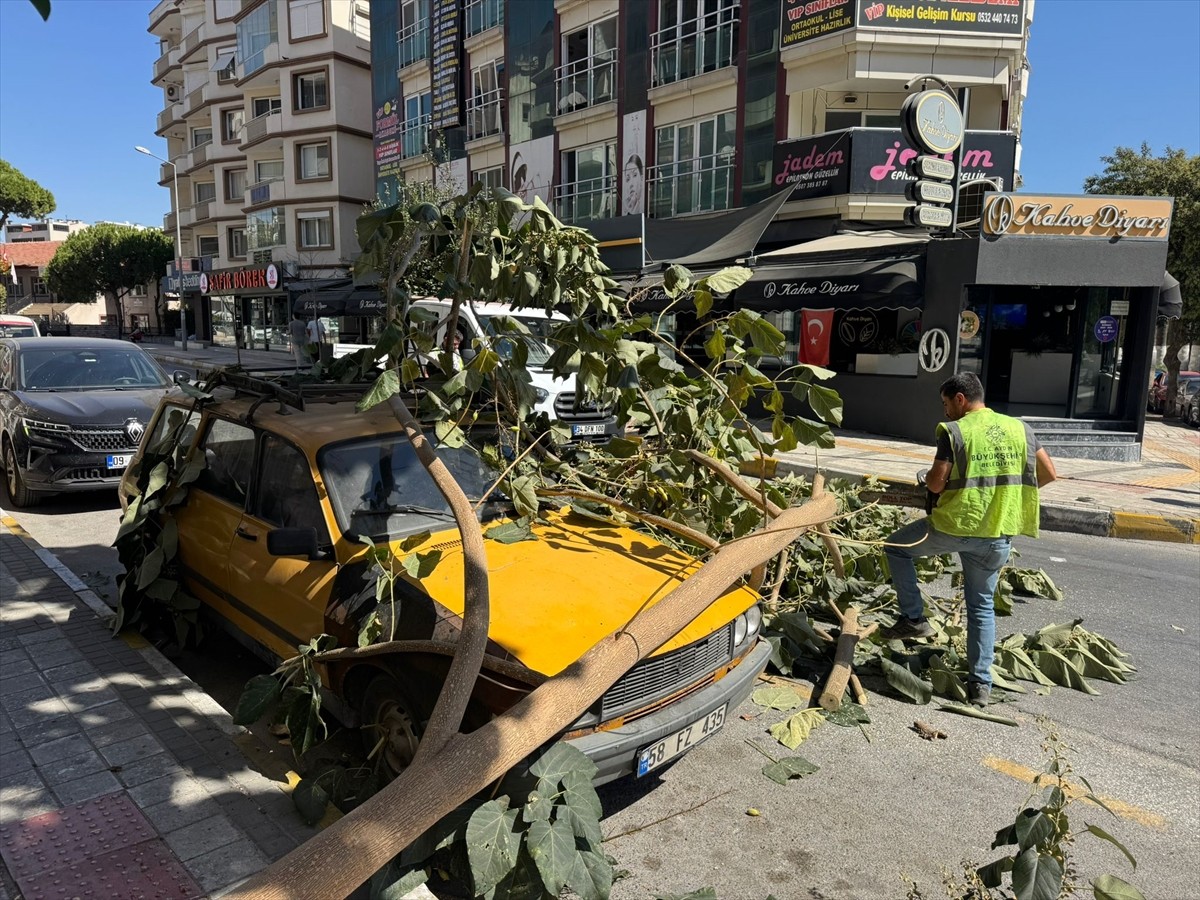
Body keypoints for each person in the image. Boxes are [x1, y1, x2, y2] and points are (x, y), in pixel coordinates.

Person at [881, 372, 1057, 708]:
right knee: (981, 608)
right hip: (997, 534)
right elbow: (1049, 473)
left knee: (896, 548)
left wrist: (930, 480)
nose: (946, 411)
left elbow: (935, 484)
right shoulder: (1021, 429)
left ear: (960, 399)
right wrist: (1006, 497)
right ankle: (980, 686)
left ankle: (914, 619)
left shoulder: (955, 431)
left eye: (947, 403)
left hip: (954, 527)